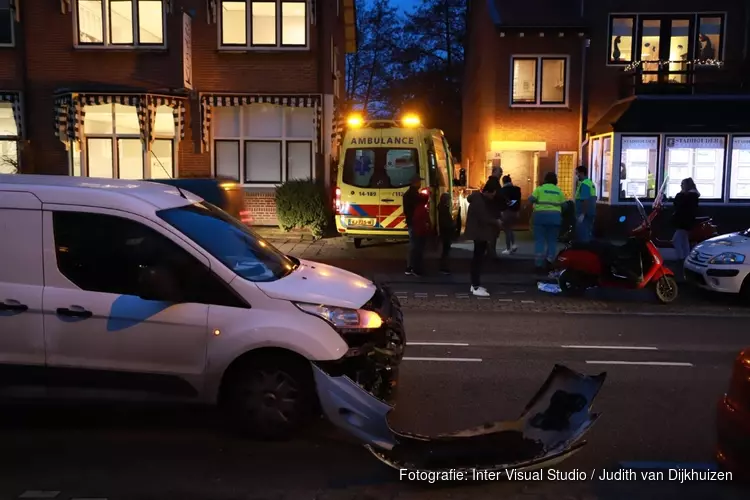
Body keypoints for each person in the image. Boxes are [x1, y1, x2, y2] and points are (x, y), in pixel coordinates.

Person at [464, 185, 503, 297]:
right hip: (479, 233)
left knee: (478, 258)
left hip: (479, 233)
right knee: (477, 259)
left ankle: (475, 285)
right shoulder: (479, 202)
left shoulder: (477, 199)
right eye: (492, 194)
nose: (492, 197)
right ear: (487, 192)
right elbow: (483, 217)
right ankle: (475, 285)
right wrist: (496, 222)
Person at [529, 172, 566, 273]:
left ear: (545, 179)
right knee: (552, 241)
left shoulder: (540, 189)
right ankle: (549, 262)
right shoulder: (559, 191)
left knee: (539, 241)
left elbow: (530, 199)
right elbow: (565, 205)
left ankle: (538, 264)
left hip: (540, 217)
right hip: (554, 218)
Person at [672, 177, 700, 260]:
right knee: (684, 241)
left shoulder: (688, 196)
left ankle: (682, 258)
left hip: (683, 222)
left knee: (676, 240)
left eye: (682, 184)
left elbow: (678, 203)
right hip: (686, 222)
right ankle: (686, 258)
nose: (681, 186)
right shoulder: (692, 195)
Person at [403, 175, 423, 276]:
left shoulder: (408, 194)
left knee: (414, 245)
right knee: (415, 246)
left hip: (412, 222)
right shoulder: (413, 194)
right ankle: (412, 268)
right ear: (415, 183)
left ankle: (410, 267)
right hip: (415, 223)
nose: (420, 184)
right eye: (419, 182)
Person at [483, 166, 506, 258]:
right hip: (493, 211)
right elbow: (494, 196)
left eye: (502, 172)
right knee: (493, 232)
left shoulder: (492, 182)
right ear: (494, 172)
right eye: (500, 171)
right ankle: (491, 252)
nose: (501, 174)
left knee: (493, 232)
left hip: (492, 210)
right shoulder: (494, 183)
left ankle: (490, 251)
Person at [574, 165, 597, 243]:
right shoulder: (590, 183)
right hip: (590, 212)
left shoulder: (584, 184)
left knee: (583, 234)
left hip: (584, 213)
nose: (576, 175)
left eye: (577, 173)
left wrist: (582, 214)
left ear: (582, 173)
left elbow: (585, 200)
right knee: (588, 232)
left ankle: (584, 250)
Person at [499, 175, 521, 254]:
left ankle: (508, 248)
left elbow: (501, 203)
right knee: (510, 228)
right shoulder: (517, 189)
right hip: (515, 212)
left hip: (506, 212)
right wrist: (518, 211)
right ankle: (513, 244)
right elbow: (518, 201)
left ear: (503, 182)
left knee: (507, 230)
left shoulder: (502, 191)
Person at [437, 192, 455, 274]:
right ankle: (443, 267)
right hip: (446, 233)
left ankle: (443, 266)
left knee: (445, 250)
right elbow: (446, 222)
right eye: (448, 199)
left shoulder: (442, 208)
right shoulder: (444, 209)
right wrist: (452, 224)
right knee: (445, 251)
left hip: (444, 232)